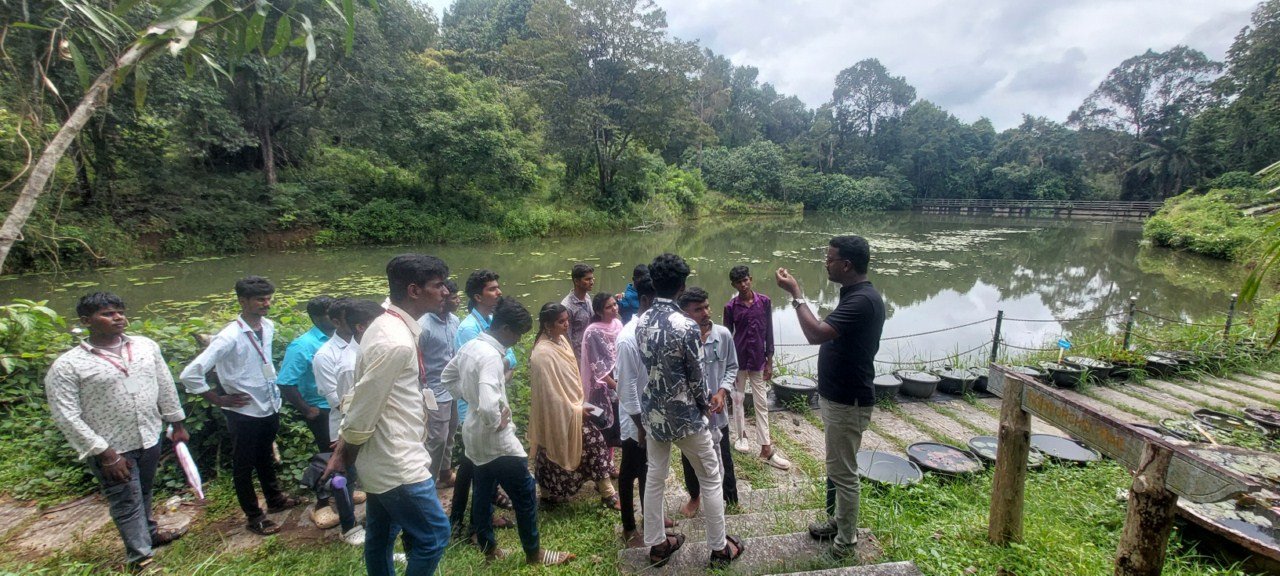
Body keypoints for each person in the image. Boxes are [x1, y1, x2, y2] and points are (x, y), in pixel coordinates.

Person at [325, 255, 453, 576]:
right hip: (397, 463)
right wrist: (343, 452)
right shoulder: (395, 340)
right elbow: (363, 408)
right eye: (437, 286)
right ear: (413, 290)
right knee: (435, 535)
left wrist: (346, 451)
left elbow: (362, 396)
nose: (446, 292)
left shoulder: (384, 324)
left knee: (381, 535)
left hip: (384, 458)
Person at [46, 292, 189, 572]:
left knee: (144, 491)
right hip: (111, 447)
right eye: (108, 313)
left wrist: (177, 423)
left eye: (120, 311)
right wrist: (104, 452)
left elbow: (165, 385)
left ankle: (148, 533)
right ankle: (140, 559)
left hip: (149, 434)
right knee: (126, 500)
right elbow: (66, 415)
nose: (118, 317)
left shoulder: (145, 347)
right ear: (86, 321)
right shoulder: (68, 365)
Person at [442, 298, 574, 566]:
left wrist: (470, 399)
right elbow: (491, 405)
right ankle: (534, 553)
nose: (516, 341)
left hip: (473, 435)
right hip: (496, 440)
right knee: (525, 493)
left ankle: (488, 548)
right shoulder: (491, 356)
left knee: (482, 490)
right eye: (516, 335)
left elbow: (447, 378)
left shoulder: (470, 346)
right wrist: (493, 419)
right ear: (505, 329)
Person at [775, 235, 885, 558]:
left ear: (847, 264)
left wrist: (797, 295)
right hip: (840, 398)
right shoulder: (854, 295)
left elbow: (816, 334)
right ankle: (838, 522)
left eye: (830, 258)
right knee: (838, 467)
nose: (826, 262)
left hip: (848, 401)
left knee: (844, 474)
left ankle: (846, 541)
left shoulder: (863, 300)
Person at [636, 253, 743, 568]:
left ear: (654, 284)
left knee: (654, 476)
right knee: (711, 476)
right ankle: (719, 547)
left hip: (654, 413)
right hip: (685, 417)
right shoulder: (686, 326)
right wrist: (705, 406)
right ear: (682, 286)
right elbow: (696, 378)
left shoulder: (641, 321)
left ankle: (657, 545)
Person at [180, 276, 302, 536]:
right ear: (243, 301)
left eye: (268, 298)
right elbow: (190, 373)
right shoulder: (229, 336)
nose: (266, 304)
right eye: (260, 299)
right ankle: (254, 516)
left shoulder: (267, 327)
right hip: (243, 411)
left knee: (266, 457)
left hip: (268, 404)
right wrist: (217, 398)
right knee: (243, 465)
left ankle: (275, 499)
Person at [527, 303, 619, 510]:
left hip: (576, 406)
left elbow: (571, 380)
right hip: (557, 414)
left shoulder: (561, 342)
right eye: (561, 322)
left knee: (590, 444)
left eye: (567, 319)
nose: (567, 325)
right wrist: (575, 410)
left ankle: (606, 493)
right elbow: (549, 395)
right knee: (557, 449)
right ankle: (552, 493)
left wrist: (580, 405)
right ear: (547, 325)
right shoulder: (542, 354)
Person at [451, 270, 516, 537]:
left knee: (474, 466)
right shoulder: (468, 328)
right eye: (492, 289)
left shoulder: (492, 319)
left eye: (498, 288)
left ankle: (464, 520)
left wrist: (501, 368)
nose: (498, 292)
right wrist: (500, 368)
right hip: (476, 408)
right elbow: (475, 371)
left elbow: (510, 359)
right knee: (477, 466)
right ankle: (474, 524)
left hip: (492, 400)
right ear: (478, 296)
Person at [614, 275, 671, 543]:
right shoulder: (627, 339)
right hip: (634, 417)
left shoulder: (652, 330)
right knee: (629, 471)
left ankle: (652, 517)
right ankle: (628, 526)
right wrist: (640, 426)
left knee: (650, 469)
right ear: (646, 301)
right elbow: (626, 388)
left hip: (651, 414)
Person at [678, 287, 739, 515]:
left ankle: (731, 498)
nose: (705, 312)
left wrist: (722, 392)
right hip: (691, 415)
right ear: (685, 314)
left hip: (718, 411)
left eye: (706, 306)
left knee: (724, 453)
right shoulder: (682, 339)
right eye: (698, 309)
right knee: (690, 457)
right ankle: (695, 497)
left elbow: (732, 366)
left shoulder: (722, 334)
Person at [278, 295, 337, 527]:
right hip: (321, 411)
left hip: (340, 408)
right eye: (327, 315)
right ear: (314, 318)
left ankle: (343, 491)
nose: (333, 319)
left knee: (346, 454)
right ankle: (321, 504)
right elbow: (285, 382)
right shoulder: (303, 345)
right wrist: (307, 409)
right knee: (326, 457)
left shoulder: (341, 337)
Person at [724, 265, 790, 470]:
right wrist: (728, 366)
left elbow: (768, 332)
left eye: (746, 280)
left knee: (761, 402)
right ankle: (741, 436)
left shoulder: (764, 302)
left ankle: (765, 447)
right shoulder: (731, 307)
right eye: (738, 282)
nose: (743, 285)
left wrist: (769, 360)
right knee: (737, 400)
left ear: (751, 279)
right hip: (738, 361)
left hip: (758, 360)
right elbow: (727, 337)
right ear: (733, 285)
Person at [420, 280, 461, 486]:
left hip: (452, 388)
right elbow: (416, 362)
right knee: (436, 439)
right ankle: (429, 481)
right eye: (453, 297)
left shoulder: (455, 321)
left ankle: (445, 474)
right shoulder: (424, 326)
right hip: (433, 391)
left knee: (451, 432)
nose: (457, 300)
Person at [579, 292, 623, 453]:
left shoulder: (618, 324)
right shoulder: (592, 332)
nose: (614, 308)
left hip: (618, 379)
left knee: (616, 426)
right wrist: (615, 386)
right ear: (599, 311)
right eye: (608, 307)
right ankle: (603, 465)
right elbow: (596, 365)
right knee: (603, 424)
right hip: (600, 386)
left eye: (614, 304)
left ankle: (609, 464)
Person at [561, 263, 595, 354]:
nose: (592, 282)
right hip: (578, 354)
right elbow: (566, 337)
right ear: (576, 281)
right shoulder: (567, 306)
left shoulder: (587, 297)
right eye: (587, 279)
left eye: (592, 278)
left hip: (591, 349)